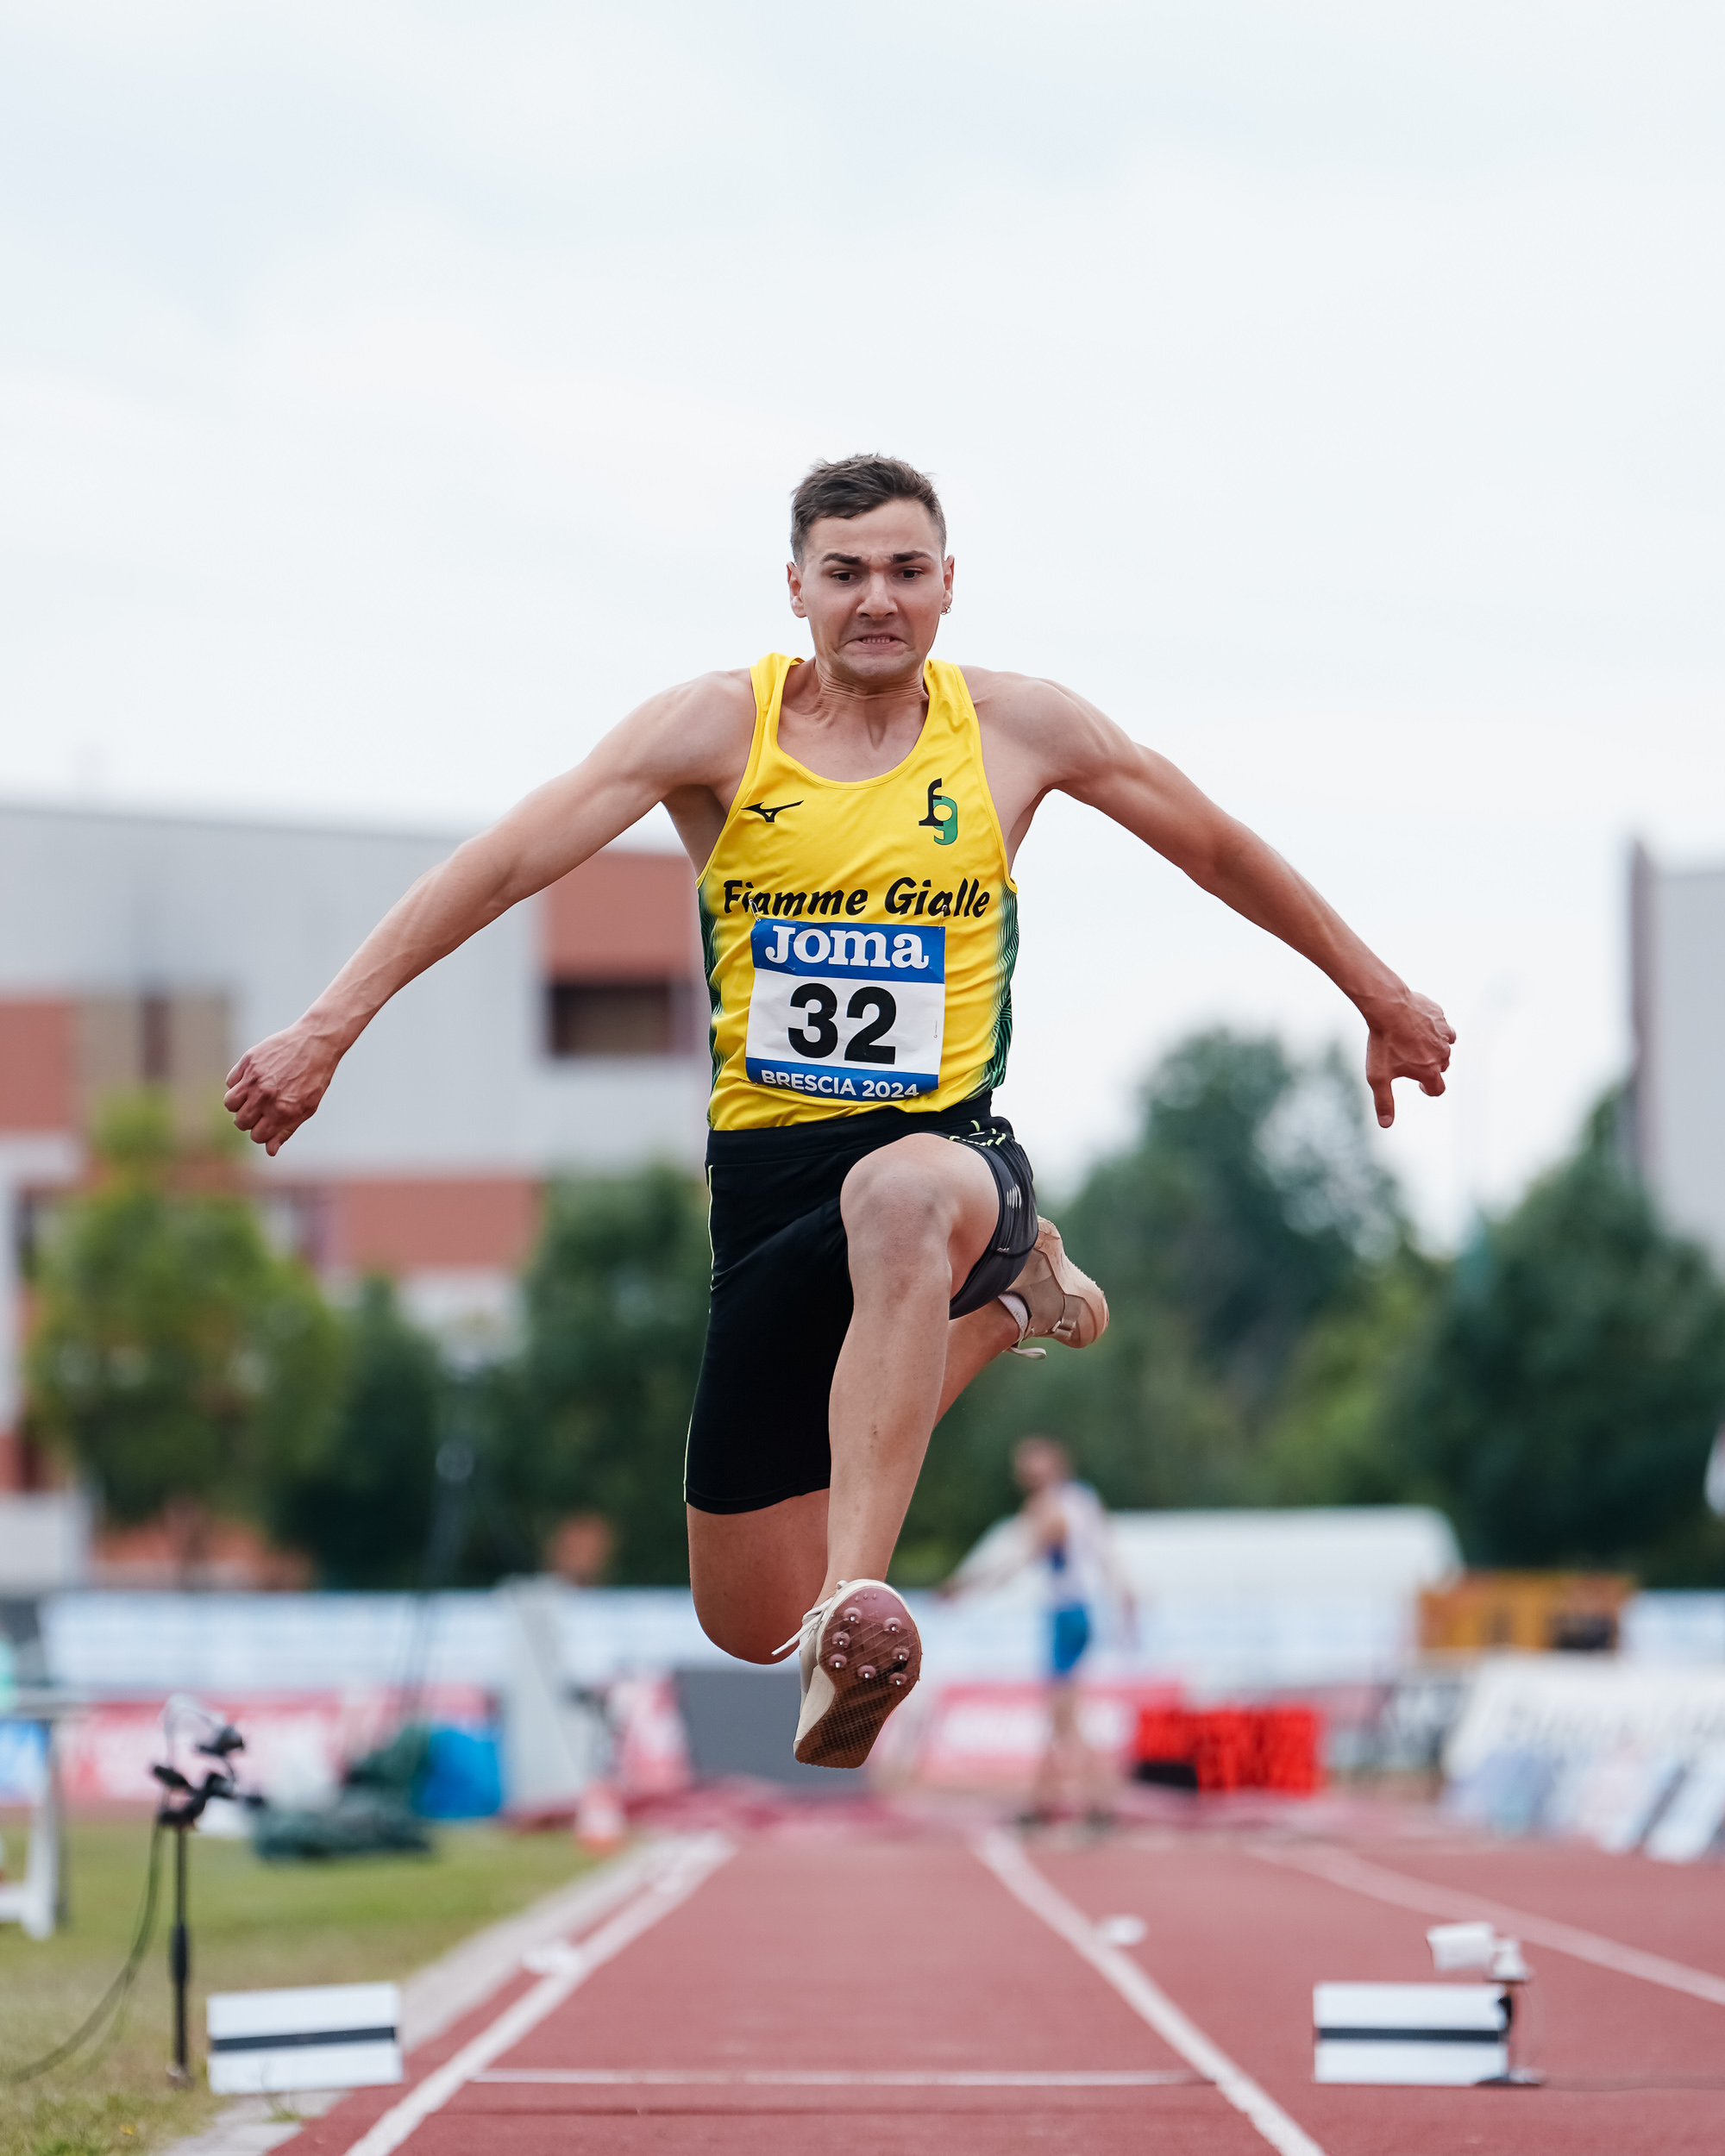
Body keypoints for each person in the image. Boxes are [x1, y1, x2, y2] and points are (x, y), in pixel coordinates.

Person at [224, 454, 1453, 1771]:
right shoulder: (714, 730)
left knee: (897, 1199)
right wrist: (329, 1024)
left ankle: (852, 1614)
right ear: (796, 587)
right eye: (848, 572)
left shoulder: (1020, 731)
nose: (879, 598)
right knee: (744, 1616)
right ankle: (1004, 1314)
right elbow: (508, 860)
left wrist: (1377, 992)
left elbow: (1216, 848)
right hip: (766, 1186)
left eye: (907, 571)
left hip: (951, 1156)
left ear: (949, 584)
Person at [942, 1435, 1133, 1827]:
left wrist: (966, 1585)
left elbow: (1016, 1560)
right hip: (1080, 1611)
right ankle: (1044, 1800)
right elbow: (1104, 1555)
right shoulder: (1083, 1499)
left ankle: (1097, 1802)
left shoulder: (1047, 1506)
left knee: (1065, 1715)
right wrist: (1123, 1596)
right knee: (1058, 1712)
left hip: (1065, 1614)